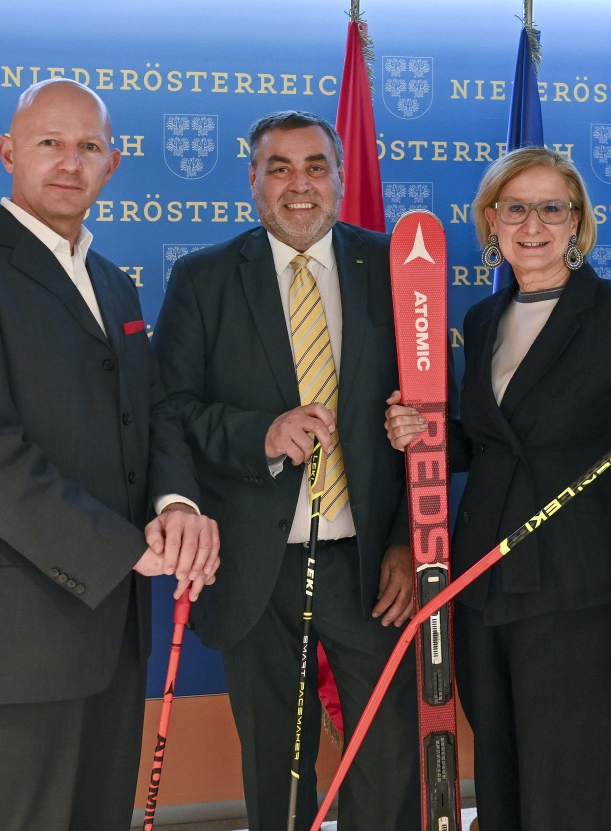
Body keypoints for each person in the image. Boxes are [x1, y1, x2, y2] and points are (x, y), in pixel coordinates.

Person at [384, 145, 611, 830]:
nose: (533, 225)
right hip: (482, 580)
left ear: (577, 221)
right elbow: (488, 444)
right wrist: (422, 430)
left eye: (552, 208)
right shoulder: (482, 320)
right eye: (516, 208)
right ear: (491, 220)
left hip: (575, 588)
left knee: (571, 780)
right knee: (499, 770)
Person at [0, 79, 219, 831]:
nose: (70, 162)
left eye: (89, 146)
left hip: (114, 633)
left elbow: (154, 415)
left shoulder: (115, 285)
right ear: (6, 153)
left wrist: (177, 506)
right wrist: (128, 550)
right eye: (50, 143)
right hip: (19, 634)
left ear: (112, 164)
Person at [152, 110, 419, 831]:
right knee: (278, 763)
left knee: (387, 757)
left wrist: (405, 541)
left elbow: (425, 418)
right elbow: (171, 409)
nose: (299, 185)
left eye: (315, 167)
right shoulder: (204, 278)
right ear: (252, 180)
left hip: (367, 564)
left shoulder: (389, 269)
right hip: (253, 563)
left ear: (338, 177)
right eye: (279, 168)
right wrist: (261, 434)